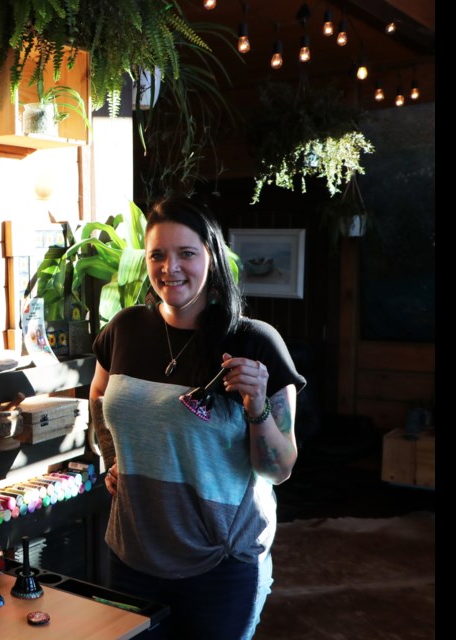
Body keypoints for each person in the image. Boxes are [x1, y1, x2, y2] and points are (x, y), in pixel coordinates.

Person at [90, 197, 305, 640]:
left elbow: (279, 467)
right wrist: (112, 457)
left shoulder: (254, 342)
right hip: (131, 554)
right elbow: (98, 396)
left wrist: (258, 404)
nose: (170, 267)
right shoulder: (124, 330)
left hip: (219, 563)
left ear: (212, 256)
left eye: (186, 253)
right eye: (157, 254)